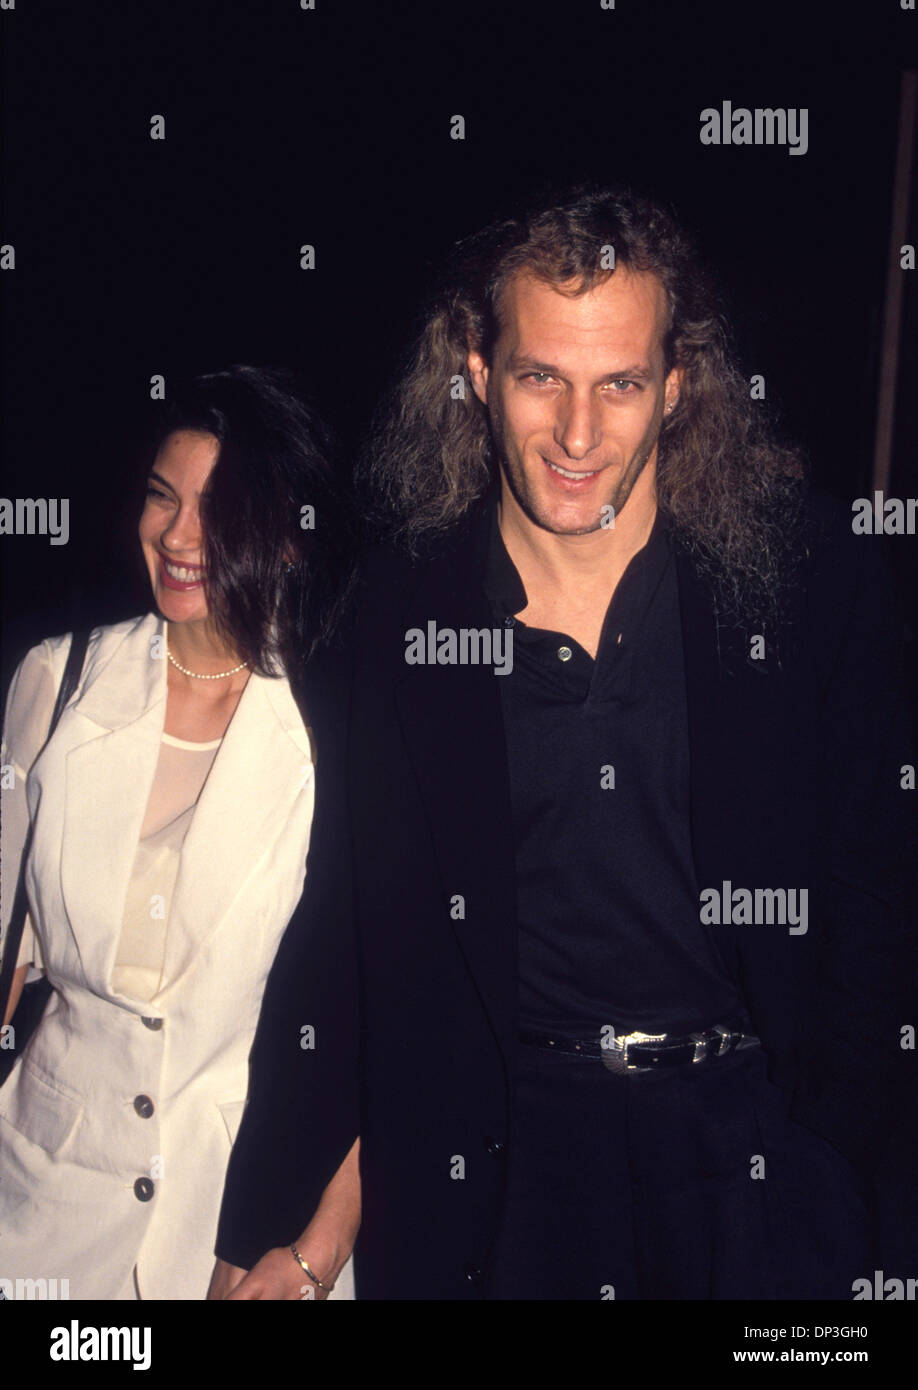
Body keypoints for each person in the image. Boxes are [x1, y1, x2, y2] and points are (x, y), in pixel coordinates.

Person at [211, 188, 916, 1300]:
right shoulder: (393, 615)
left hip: (752, 1172)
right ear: (480, 374)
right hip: (497, 1180)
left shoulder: (812, 581)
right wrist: (275, 1227)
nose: (579, 436)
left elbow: (874, 904)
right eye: (543, 377)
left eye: (620, 384)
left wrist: (828, 1165)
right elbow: (346, 932)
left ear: (676, 388)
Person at [0, 365, 356, 1300]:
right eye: (165, 498)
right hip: (44, 1209)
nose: (180, 535)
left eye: (220, 508)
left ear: (286, 535)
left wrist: (317, 1250)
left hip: (244, 1229)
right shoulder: (57, 684)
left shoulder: (338, 727)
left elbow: (382, 1016)